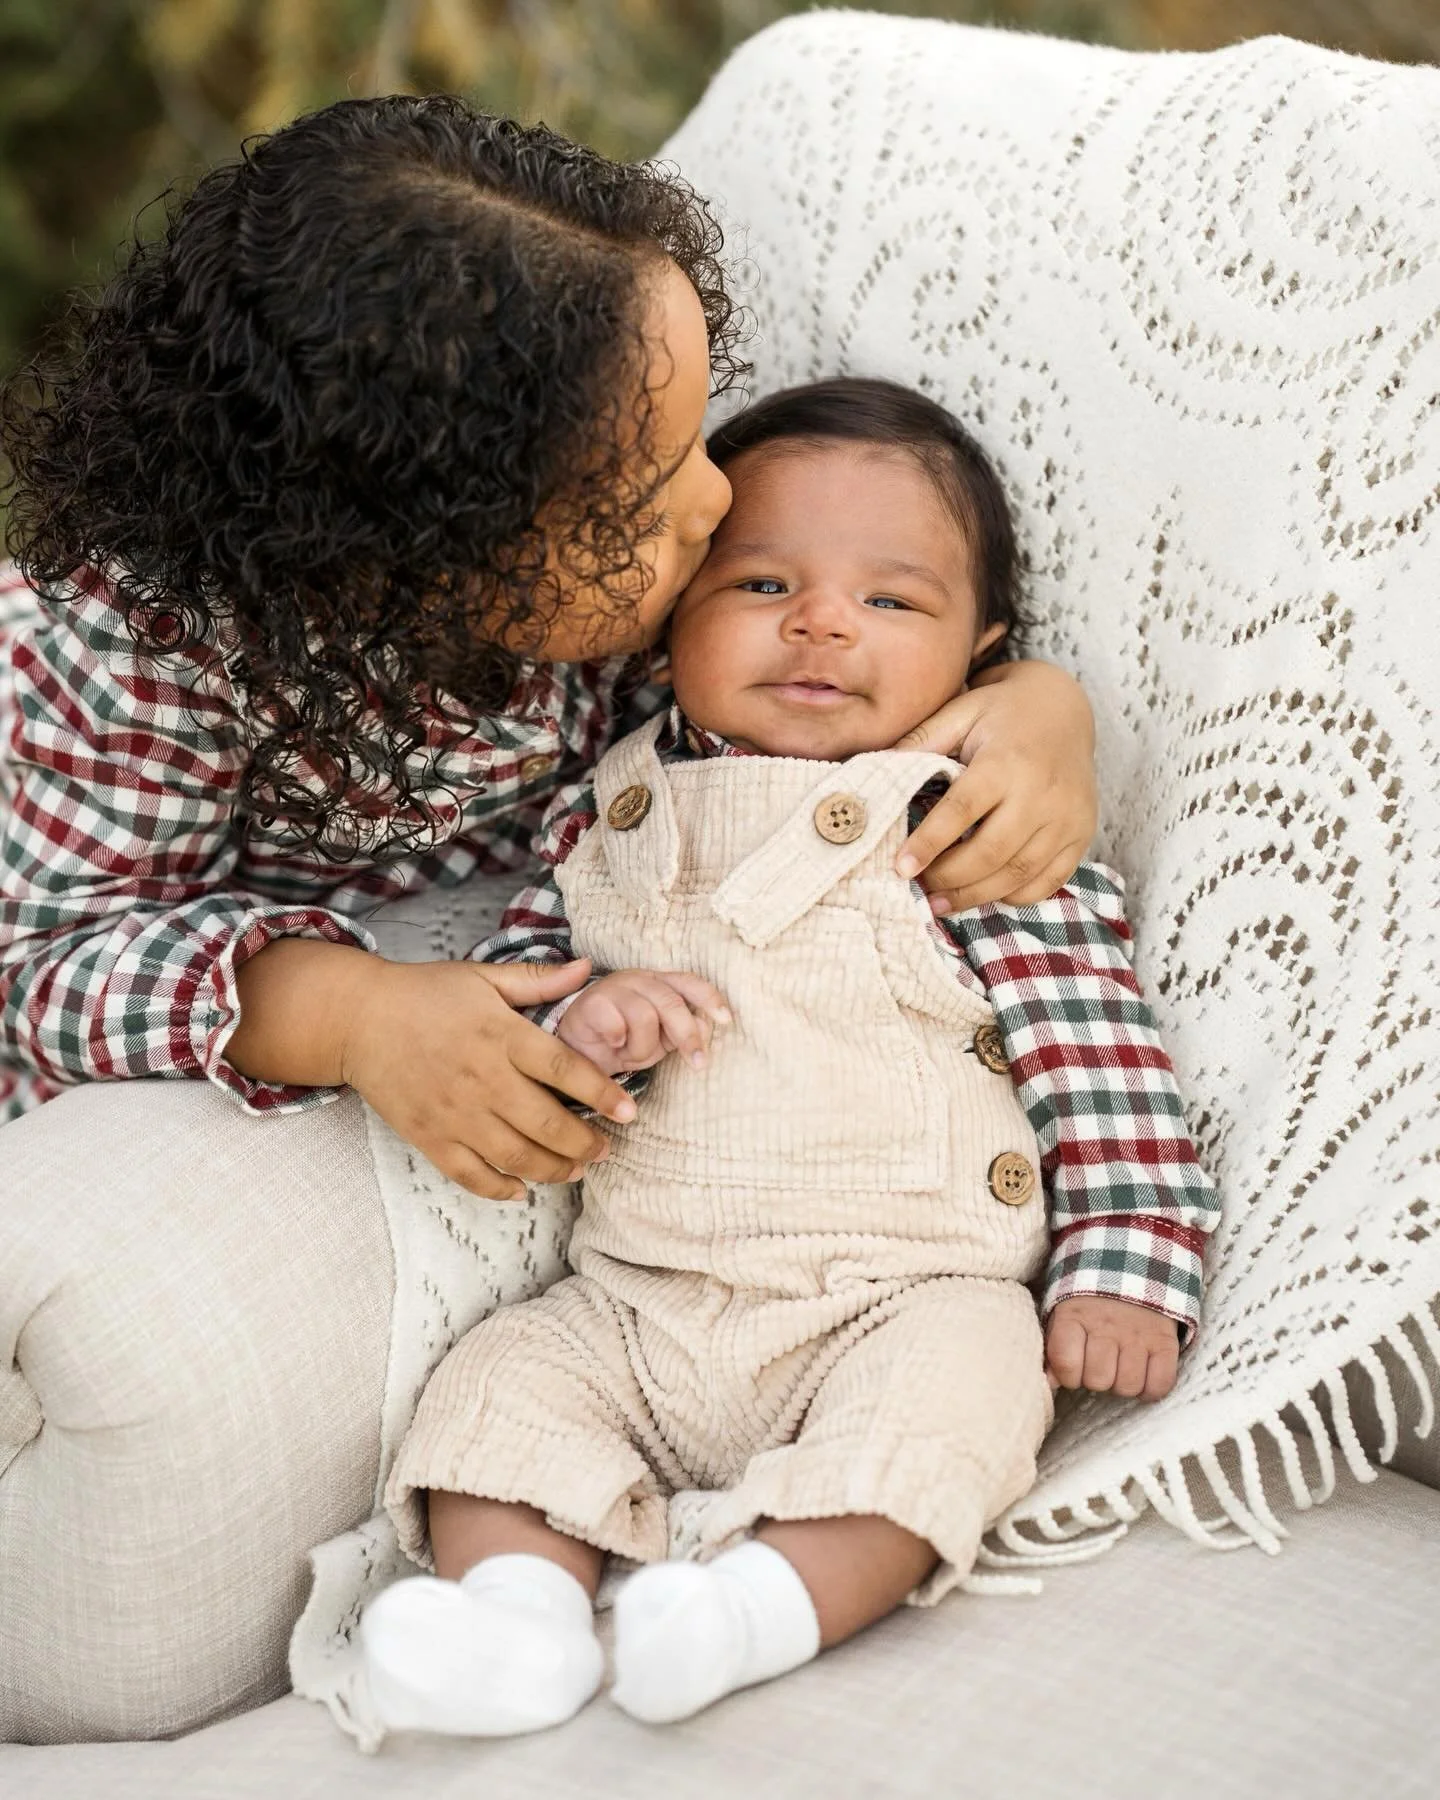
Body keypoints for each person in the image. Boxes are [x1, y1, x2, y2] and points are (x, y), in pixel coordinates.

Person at [0, 98, 1095, 1197]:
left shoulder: (625, 569)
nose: (717, 501)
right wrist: (351, 1015)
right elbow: (45, 970)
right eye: (641, 498)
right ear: (434, 553)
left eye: (693, 437)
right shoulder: (147, 656)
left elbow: (826, 658)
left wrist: (1036, 705)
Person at [358, 377, 1221, 1739]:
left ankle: (755, 1610)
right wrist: (588, 1032)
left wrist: (1127, 1261)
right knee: (498, 1392)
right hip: (642, 1304)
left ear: (983, 658)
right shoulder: (603, 818)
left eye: (891, 601)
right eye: (762, 582)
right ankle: (515, 1624)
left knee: (964, 1394)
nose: (822, 622)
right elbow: (518, 1019)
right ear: (667, 632)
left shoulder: (968, 823)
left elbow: (1099, 1054)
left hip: (902, 1292)